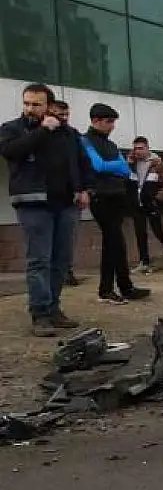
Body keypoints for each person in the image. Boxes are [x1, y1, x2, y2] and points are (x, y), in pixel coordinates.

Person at [0, 84, 91, 336]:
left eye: (36, 104)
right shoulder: (12, 129)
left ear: (48, 106)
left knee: (61, 260)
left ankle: (53, 309)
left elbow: (80, 162)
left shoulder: (68, 133)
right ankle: (39, 313)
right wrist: (42, 130)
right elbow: (11, 151)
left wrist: (83, 188)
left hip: (66, 204)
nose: (30, 108)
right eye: (27, 103)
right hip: (32, 203)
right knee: (39, 259)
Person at [82, 103, 151, 304]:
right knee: (113, 242)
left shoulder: (111, 145)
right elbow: (98, 165)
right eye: (108, 122)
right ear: (95, 121)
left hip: (117, 195)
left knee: (116, 243)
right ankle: (107, 289)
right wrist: (117, 165)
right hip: (101, 196)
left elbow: (124, 170)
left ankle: (124, 286)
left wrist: (116, 166)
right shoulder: (85, 141)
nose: (112, 126)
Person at [128, 136, 163, 273]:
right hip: (137, 203)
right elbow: (128, 182)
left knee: (158, 231)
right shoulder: (132, 163)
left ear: (147, 148)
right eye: (135, 149)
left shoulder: (157, 163)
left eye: (141, 148)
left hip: (152, 203)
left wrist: (158, 198)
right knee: (140, 233)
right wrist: (129, 164)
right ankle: (144, 262)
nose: (138, 151)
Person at [50, 100, 82, 287]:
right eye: (58, 115)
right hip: (45, 198)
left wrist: (82, 188)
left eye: (65, 115)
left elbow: (81, 163)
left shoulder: (73, 135)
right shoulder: (42, 134)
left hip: (70, 198)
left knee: (67, 242)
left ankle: (66, 271)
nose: (63, 118)